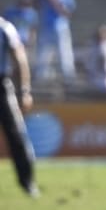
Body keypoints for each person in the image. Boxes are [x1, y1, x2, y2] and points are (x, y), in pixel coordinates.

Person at [0, 16, 39, 197]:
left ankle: (28, 182)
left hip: (1, 85)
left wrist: (24, 91)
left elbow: (20, 59)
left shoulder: (5, 28)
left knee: (16, 134)